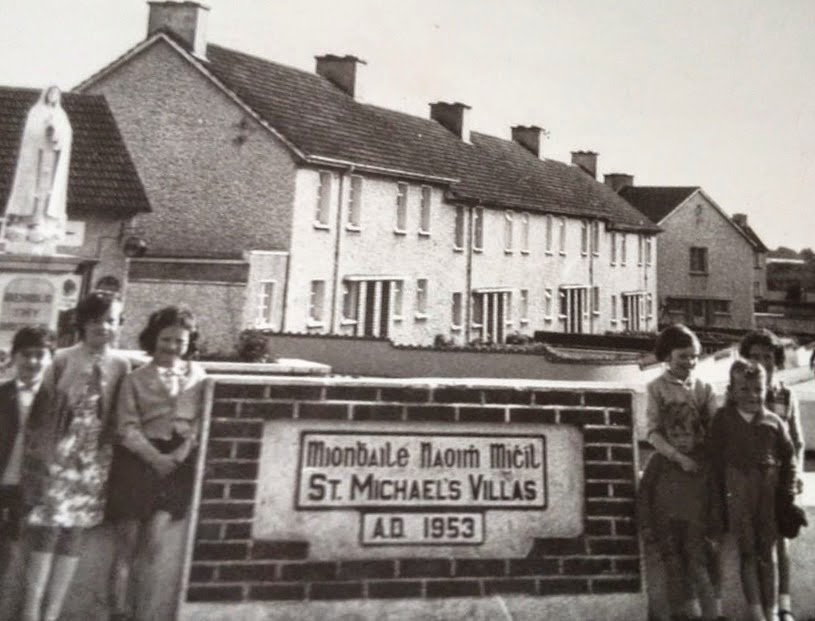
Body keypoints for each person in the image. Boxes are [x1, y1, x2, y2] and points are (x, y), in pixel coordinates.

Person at [20, 291, 130, 621]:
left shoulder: (122, 364)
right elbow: (40, 413)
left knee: (74, 534)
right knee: (48, 530)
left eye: (111, 320)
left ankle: (52, 613)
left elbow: (118, 415)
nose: (104, 327)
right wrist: (43, 459)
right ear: (82, 323)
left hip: (93, 461)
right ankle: (30, 611)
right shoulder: (62, 359)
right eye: (97, 320)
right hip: (58, 457)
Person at [106, 306, 206, 621]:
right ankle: (118, 613)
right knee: (127, 545)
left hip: (176, 465)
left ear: (189, 342)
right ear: (154, 339)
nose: (172, 347)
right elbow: (126, 427)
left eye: (180, 341)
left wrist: (179, 454)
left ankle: (143, 615)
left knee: (153, 546)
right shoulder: (135, 378)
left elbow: (201, 421)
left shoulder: (198, 376)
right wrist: (155, 457)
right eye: (166, 340)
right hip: (137, 462)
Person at [644, 324, 723, 619]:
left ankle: (711, 613)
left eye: (694, 357)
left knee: (700, 556)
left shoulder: (704, 387)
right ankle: (685, 613)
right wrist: (677, 457)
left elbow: (714, 428)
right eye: (682, 357)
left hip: (699, 469)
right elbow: (652, 432)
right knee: (673, 560)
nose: (689, 363)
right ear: (667, 356)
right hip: (670, 461)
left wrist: (705, 460)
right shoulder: (656, 388)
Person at [709, 359, 797, 621]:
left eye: (758, 389)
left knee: (767, 554)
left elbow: (789, 458)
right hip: (737, 493)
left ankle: (771, 613)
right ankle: (756, 613)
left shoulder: (772, 421)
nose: (752, 396)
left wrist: (789, 492)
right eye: (745, 389)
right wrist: (716, 502)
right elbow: (713, 462)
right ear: (732, 391)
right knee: (747, 553)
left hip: (767, 495)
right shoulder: (723, 420)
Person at [739, 330, 805, 621]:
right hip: (751, 483)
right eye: (755, 357)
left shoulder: (784, 393)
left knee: (781, 544)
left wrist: (797, 473)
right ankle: (762, 609)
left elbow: (797, 440)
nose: (762, 362)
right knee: (754, 547)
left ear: (776, 362)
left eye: (768, 357)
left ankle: (784, 605)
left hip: (780, 481)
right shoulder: (739, 393)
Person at [639, 402, 718, 621]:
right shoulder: (658, 461)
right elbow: (644, 494)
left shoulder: (703, 462)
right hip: (666, 526)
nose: (681, 440)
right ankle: (681, 615)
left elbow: (713, 498)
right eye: (675, 435)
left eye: (686, 434)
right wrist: (646, 525)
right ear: (667, 437)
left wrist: (714, 530)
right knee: (673, 572)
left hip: (695, 527)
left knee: (699, 571)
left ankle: (711, 615)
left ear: (696, 434)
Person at [0, 327, 56, 610]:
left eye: (40, 355)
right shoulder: (1, 394)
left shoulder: (57, 401)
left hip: (28, 491)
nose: (32, 362)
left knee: (13, 558)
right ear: (14, 357)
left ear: (50, 359)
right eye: (26, 355)